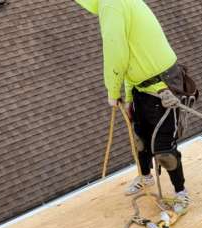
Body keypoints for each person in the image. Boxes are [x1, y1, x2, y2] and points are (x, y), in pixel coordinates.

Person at [75, 0, 191, 213]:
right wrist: (128, 96)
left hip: (162, 87)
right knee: (140, 139)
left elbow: (116, 53)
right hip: (141, 86)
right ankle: (146, 177)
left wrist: (113, 91)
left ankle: (181, 192)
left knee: (164, 149)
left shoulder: (111, 5)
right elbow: (130, 54)